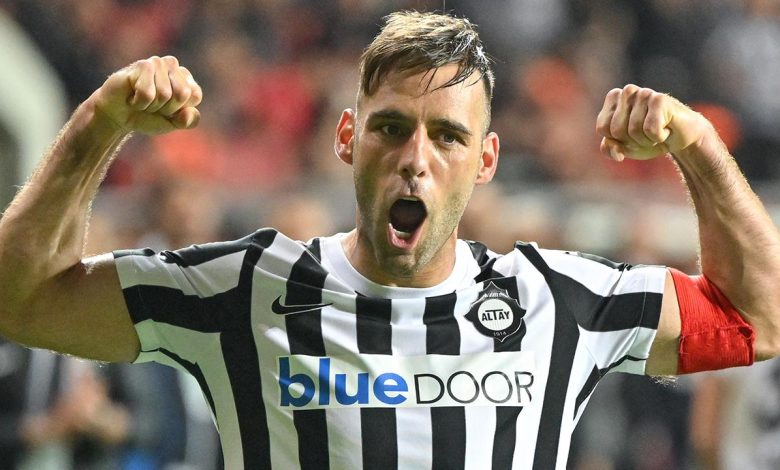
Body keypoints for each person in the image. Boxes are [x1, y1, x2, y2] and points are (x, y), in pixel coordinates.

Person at [0, 10, 778, 469]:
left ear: (486, 160)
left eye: (447, 136)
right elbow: (23, 302)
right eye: (392, 128)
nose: (416, 158)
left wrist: (698, 144)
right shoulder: (245, 289)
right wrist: (99, 123)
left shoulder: (557, 299)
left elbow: (758, 319)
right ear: (348, 139)